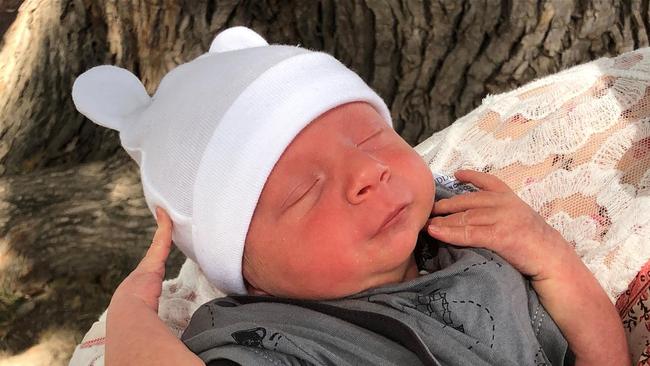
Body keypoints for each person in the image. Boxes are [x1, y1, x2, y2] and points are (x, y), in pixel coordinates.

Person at [69, 26, 629, 365]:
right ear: (249, 271)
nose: (369, 171)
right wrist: (131, 325)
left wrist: (547, 252)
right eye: (305, 190)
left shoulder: (464, 222)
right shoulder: (271, 336)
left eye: (373, 137)